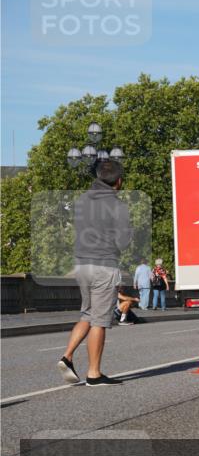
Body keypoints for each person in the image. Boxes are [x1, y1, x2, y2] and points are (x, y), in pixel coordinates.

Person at [58, 160, 132, 387]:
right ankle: (94, 373)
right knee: (100, 320)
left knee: (87, 314)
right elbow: (122, 242)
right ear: (118, 181)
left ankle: (67, 356)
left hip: (81, 264)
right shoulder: (117, 205)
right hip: (103, 264)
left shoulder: (82, 200)